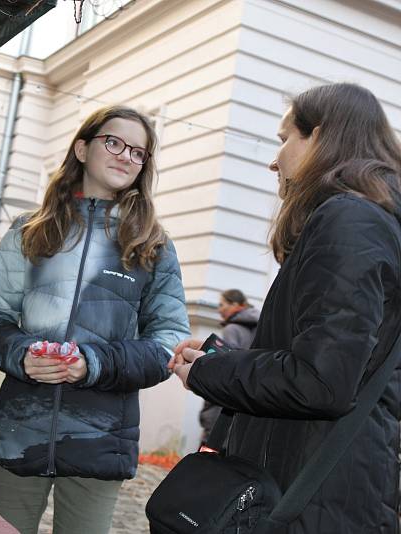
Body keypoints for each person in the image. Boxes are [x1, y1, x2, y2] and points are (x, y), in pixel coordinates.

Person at [171, 83, 401, 533]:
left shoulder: (349, 221)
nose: (274, 160)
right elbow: (333, 357)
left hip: (313, 496)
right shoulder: (367, 222)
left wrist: (209, 374)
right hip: (323, 486)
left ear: (318, 136)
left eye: (283, 139)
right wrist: (224, 359)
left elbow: (320, 382)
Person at [0, 105, 191, 534]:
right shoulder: (28, 232)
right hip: (22, 430)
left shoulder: (152, 245)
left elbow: (169, 341)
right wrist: (22, 355)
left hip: (100, 439)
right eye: (114, 142)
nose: (126, 156)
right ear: (82, 148)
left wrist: (95, 363)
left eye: (138, 152)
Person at [198, 289, 260, 442]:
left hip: (228, 394)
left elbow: (226, 363)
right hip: (252, 391)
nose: (219, 309)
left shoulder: (232, 328)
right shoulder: (260, 325)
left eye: (222, 305)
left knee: (212, 447)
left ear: (235, 305)